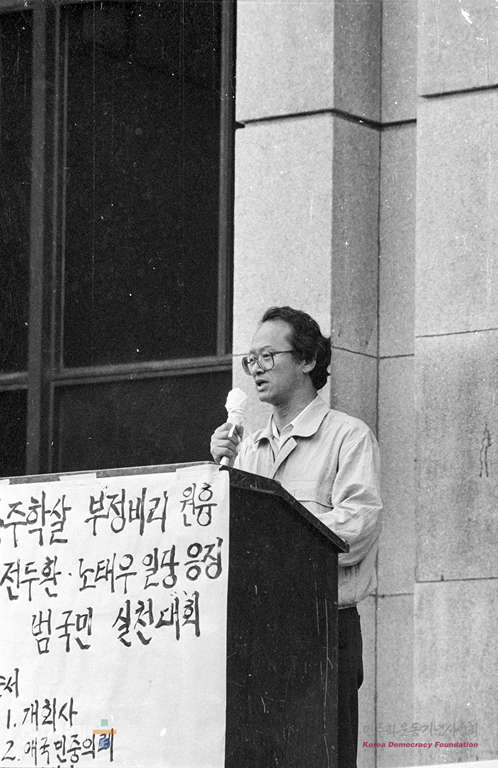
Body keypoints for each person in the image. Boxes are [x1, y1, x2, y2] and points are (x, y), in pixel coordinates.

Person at [210, 305, 382, 768]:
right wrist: (218, 475)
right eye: (251, 359)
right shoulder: (245, 449)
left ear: (307, 360)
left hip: (323, 626)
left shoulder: (348, 437)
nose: (256, 369)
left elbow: (358, 528)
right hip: (256, 629)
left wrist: (276, 537)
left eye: (268, 356)